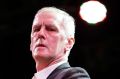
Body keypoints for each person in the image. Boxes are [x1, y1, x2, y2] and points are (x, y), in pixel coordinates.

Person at [30, 7, 90, 79]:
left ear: (69, 43)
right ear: (31, 44)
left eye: (51, 29)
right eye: (36, 29)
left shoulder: (74, 76)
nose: (40, 34)